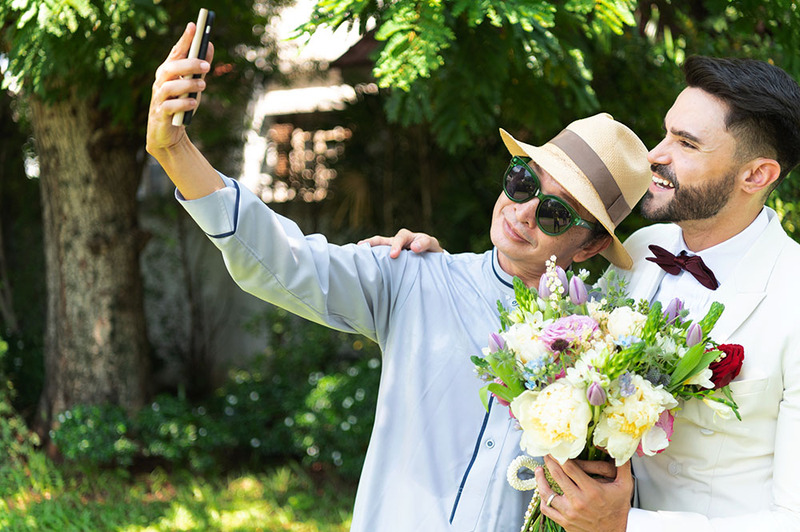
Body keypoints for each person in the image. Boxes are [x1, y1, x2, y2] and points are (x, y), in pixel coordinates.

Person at [146, 23, 651, 531]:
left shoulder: (609, 360)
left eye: (556, 214)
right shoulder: (412, 277)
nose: (523, 213)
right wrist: (175, 151)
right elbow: (284, 259)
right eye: (523, 182)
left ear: (589, 246)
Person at [380, 56, 800, 531]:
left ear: (756, 175)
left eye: (686, 144)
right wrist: (437, 265)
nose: (654, 156)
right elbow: (548, 330)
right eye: (666, 133)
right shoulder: (639, 253)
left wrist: (626, 525)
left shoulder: (793, 296)